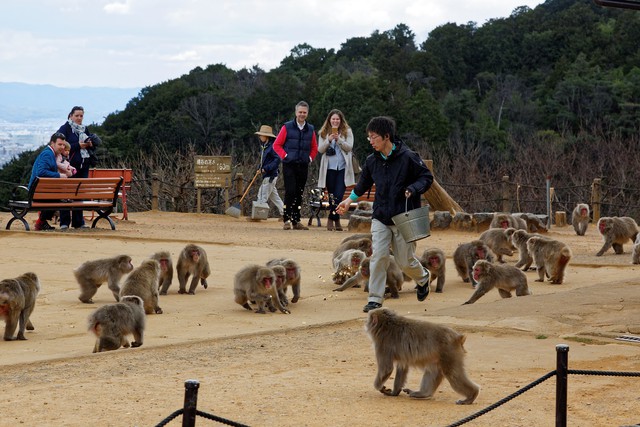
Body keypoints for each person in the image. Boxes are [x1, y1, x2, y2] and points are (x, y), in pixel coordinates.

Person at [336, 116, 434, 313]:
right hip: (380, 216)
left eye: (374, 137)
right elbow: (362, 184)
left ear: (386, 136)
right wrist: (348, 200)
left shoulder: (408, 157)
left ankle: (423, 277)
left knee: (404, 261)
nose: (371, 141)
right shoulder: (372, 161)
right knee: (379, 256)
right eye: (369, 138)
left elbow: (427, 177)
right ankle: (375, 299)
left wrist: (413, 188)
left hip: (404, 217)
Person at [273, 101, 318, 230]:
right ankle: (286, 219)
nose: (302, 114)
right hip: (289, 165)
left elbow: (314, 147)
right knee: (290, 191)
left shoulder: (310, 129)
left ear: (307, 113)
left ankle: (296, 220)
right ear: (296, 112)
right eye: (300, 112)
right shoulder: (287, 127)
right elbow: (277, 145)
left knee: (299, 192)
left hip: (303, 165)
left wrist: (309, 158)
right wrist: (286, 156)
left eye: (304, 112)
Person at [57, 106, 99, 229]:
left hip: (84, 164)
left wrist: (90, 144)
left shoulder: (84, 129)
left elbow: (90, 146)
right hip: (69, 166)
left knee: (79, 193)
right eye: (77, 116)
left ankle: (78, 221)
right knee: (66, 193)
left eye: (81, 116)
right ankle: (64, 222)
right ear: (71, 116)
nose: (79, 118)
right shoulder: (65, 128)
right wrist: (78, 146)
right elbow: (62, 146)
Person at [317, 109, 356, 231]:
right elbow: (320, 150)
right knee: (332, 195)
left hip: (343, 168)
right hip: (329, 168)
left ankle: (331, 217)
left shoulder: (347, 131)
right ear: (329, 120)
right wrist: (328, 140)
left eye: (337, 119)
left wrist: (339, 140)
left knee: (339, 195)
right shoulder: (323, 132)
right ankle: (337, 219)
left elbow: (349, 147)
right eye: (333, 119)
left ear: (341, 120)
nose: (335, 121)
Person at [28, 132, 70, 231]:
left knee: (58, 199)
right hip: (38, 192)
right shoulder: (48, 154)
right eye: (60, 144)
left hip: (42, 191)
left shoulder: (52, 154)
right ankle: (41, 222)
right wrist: (59, 175)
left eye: (63, 145)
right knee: (59, 199)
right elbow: (41, 172)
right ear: (52, 143)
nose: (62, 147)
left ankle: (41, 222)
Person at [254, 124, 284, 218]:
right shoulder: (265, 146)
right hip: (267, 174)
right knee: (274, 197)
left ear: (266, 136)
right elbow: (264, 160)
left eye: (261, 135)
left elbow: (277, 160)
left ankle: (258, 215)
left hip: (270, 175)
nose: (259, 137)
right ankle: (285, 213)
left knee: (262, 195)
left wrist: (265, 169)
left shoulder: (273, 147)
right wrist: (260, 168)